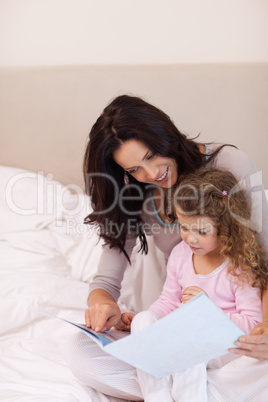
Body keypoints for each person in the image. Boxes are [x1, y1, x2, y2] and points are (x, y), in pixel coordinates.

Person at [66, 95, 268, 400]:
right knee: (79, 350)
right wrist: (105, 307)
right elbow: (107, 281)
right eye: (134, 169)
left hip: (237, 326)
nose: (150, 174)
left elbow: (262, 261)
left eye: (151, 155)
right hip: (177, 323)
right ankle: (190, 385)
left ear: (165, 135)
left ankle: (172, 382)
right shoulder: (137, 194)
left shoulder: (229, 166)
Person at [114, 167, 267, 401]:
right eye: (184, 227)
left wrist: (208, 312)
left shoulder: (240, 265)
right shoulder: (180, 254)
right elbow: (168, 300)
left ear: (226, 228)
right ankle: (158, 396)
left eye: (201, 231)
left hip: (226, 344)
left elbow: (252, 325)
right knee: (144, 321)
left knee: (187, 338)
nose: (190, 238)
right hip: (185, 335)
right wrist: (149, 320)